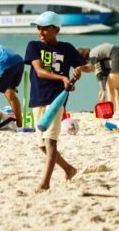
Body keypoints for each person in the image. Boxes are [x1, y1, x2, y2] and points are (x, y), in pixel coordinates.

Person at [24, 11, 84, 191]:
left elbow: (82, 64)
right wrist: (63, 78)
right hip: (37, 98)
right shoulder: (33, 46)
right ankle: (69, 169)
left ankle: (45, 183)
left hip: (56, 99)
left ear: (56, 30)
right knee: (42, 145)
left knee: (51, 142)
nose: (40, 32)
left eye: (45, 29)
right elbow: (40, 71)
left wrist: (79, 70)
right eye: (38, 28)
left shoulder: (67, 48)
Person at [76, 43, 119, 113]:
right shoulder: (99, 56)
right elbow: (104, 73)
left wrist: (103, 90)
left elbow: (98, 72)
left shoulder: (92, 55)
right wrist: (102, 89)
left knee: (109, 85)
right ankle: (118, 109)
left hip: (118, 56)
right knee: (115, 86)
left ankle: (110, 110)